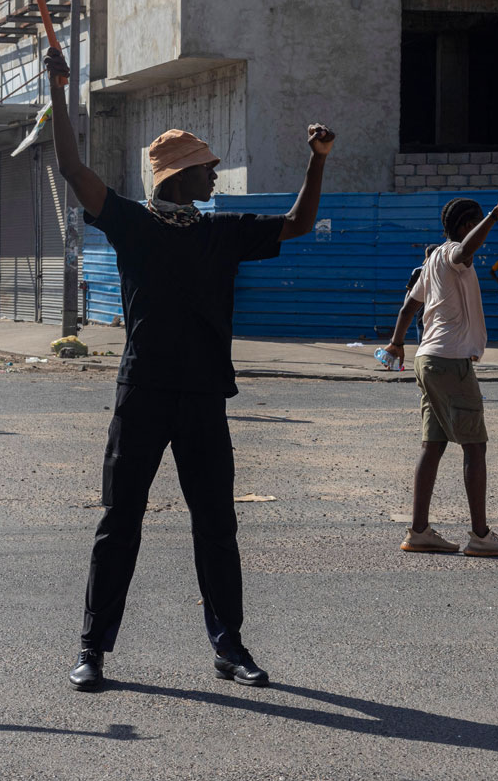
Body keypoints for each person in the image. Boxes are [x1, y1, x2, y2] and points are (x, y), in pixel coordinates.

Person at [43, 45, 333, 692]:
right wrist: (59, 88)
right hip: (142, 393)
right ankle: (92, 648)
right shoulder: (129, 225)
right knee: (121, 521)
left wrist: (317, 162)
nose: (217, 174)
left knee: (217, 525)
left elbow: (300, 222)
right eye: (208, 167)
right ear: (179, 175)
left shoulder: (222, 233)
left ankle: (229, 646)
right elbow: (69, 164)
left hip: (203, 397)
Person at [387, 192, 498, 566]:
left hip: (427, 359)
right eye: (476, 221)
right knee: (474, 446)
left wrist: (397, 343)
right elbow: (465, 249)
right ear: (466, 226)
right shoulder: (451, 254)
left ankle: (418, 532)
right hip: (450, 362)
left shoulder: (432, 260)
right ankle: (480, 536)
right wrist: (496, 213)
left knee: (433, 445)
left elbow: (409, 305)